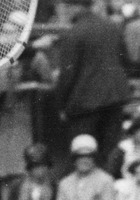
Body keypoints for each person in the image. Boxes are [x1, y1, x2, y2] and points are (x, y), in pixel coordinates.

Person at [55, 0, 131, 166]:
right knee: (110, 153)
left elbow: (67, 75)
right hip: (115, 99)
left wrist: (61, 105)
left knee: (84, 153)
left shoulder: (74, 33)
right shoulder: (112, 27)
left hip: (84, 104)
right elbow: (126, 60)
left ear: (73, 7)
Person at [56, 134, 116, 200]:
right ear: (74, 159)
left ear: (94, 158)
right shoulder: (65, 183)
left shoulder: (105, 181)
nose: (84, 160)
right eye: (80, 156)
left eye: (89, 156)